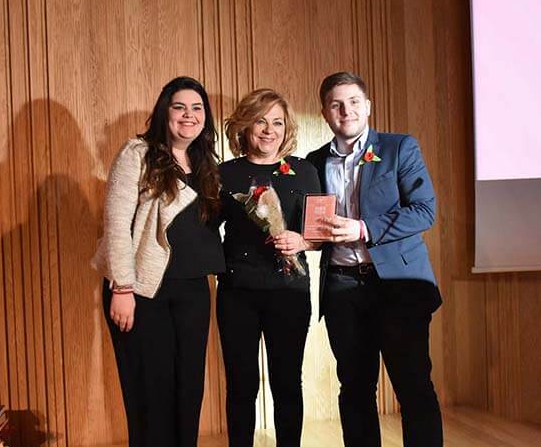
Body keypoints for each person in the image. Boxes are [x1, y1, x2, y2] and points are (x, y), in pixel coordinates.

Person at [306, 72, 443, 447]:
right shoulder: (314, 162)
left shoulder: (399, 148)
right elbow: (315, 229)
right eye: (336, 104)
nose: (345, 110)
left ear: (368, 106)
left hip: (399, 286)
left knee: (413, 385)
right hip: (343, 287)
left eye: (353, 102)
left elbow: (424, 211)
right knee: (354, 389)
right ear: (324, 112)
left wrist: (364, 229)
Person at [93, 76, 225, 447]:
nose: (189, 115)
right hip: (143, 290)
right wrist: (122, 287)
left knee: (188, 388)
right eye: (179, 107)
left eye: (197, 108)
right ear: (164, 112)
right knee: (150, 393)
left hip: (195, 290)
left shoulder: (206, 164)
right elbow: (116, 222)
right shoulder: (138, 152)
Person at [217, 88, 321, 447]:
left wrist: (302, 242)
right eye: (260, 121)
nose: (268, 130)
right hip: (237, 294)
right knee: (241, 384)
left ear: (286, 128)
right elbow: (203, 232)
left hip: (289, 292)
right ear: (245, 125)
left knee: (287, 381)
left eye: (277, 122)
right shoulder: (225, 174)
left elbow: (319, 233)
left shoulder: (304, 171)